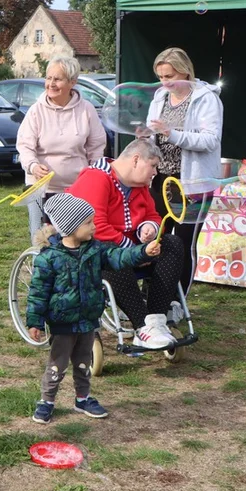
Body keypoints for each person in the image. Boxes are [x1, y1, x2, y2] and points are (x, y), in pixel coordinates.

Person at [26, 195, 160, 424]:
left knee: (83, 362)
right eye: (88, 223)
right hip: (63, 323)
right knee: (57, 364)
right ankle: (46, 400)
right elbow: (38, 292)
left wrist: (143, 251)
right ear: (69, 227)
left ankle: (82, 398)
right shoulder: (49, 258)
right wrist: (34, 321)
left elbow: (119, 257)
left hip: (88, 320)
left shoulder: (96, 250)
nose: (94, 227)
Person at [68, 139, 184, 349]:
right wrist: (135, 252)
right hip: (97, 247)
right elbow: (97, 228)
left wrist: (148, 228)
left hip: (132, 246)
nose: (156, 172)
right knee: (110, 256)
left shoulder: (138, 185)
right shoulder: (96, 178)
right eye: (153, 165)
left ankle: (156, 319)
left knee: (173, 243)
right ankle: (142, 325)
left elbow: (154, 216)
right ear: (136, 160)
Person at [144, 47, 223, 300]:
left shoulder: (206, 98)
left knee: (185, 243)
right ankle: (153, 296)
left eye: (169, 76)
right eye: (160, 77)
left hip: (193, 182)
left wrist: (172, 134)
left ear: (185, 71)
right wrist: (146, 137)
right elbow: (153, 130)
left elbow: (210, 140)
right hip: (161, 180)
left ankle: (178, 302)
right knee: (157, 238)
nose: (165, 82)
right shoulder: (160, 97)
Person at [16, 56, 108, 241]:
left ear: (72, 82)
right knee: (42, 238)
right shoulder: (36, 111)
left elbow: (96, 146)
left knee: (74, 238)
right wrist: (33, 166)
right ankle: (40, 266)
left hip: (76, 187)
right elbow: (25, 146)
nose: (51, 84)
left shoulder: (86, 109)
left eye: (57, 79)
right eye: (48, 78)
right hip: (41, 187)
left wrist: (93, 175)